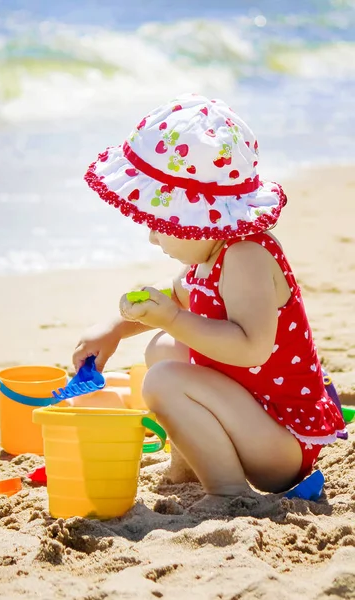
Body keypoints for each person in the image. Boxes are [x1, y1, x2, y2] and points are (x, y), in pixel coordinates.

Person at [74, 93, 346, 511]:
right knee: (162, 347)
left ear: (200, 217)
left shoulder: (246, 256)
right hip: (257, 414)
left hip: (284, 442)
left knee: (164, 380)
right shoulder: (213, 253)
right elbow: (175, 296)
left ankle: (229, 492)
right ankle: (191, 465)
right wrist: (114, 327)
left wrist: (176, 318)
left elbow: (250, 346)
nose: (152, 236)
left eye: (162, 224)